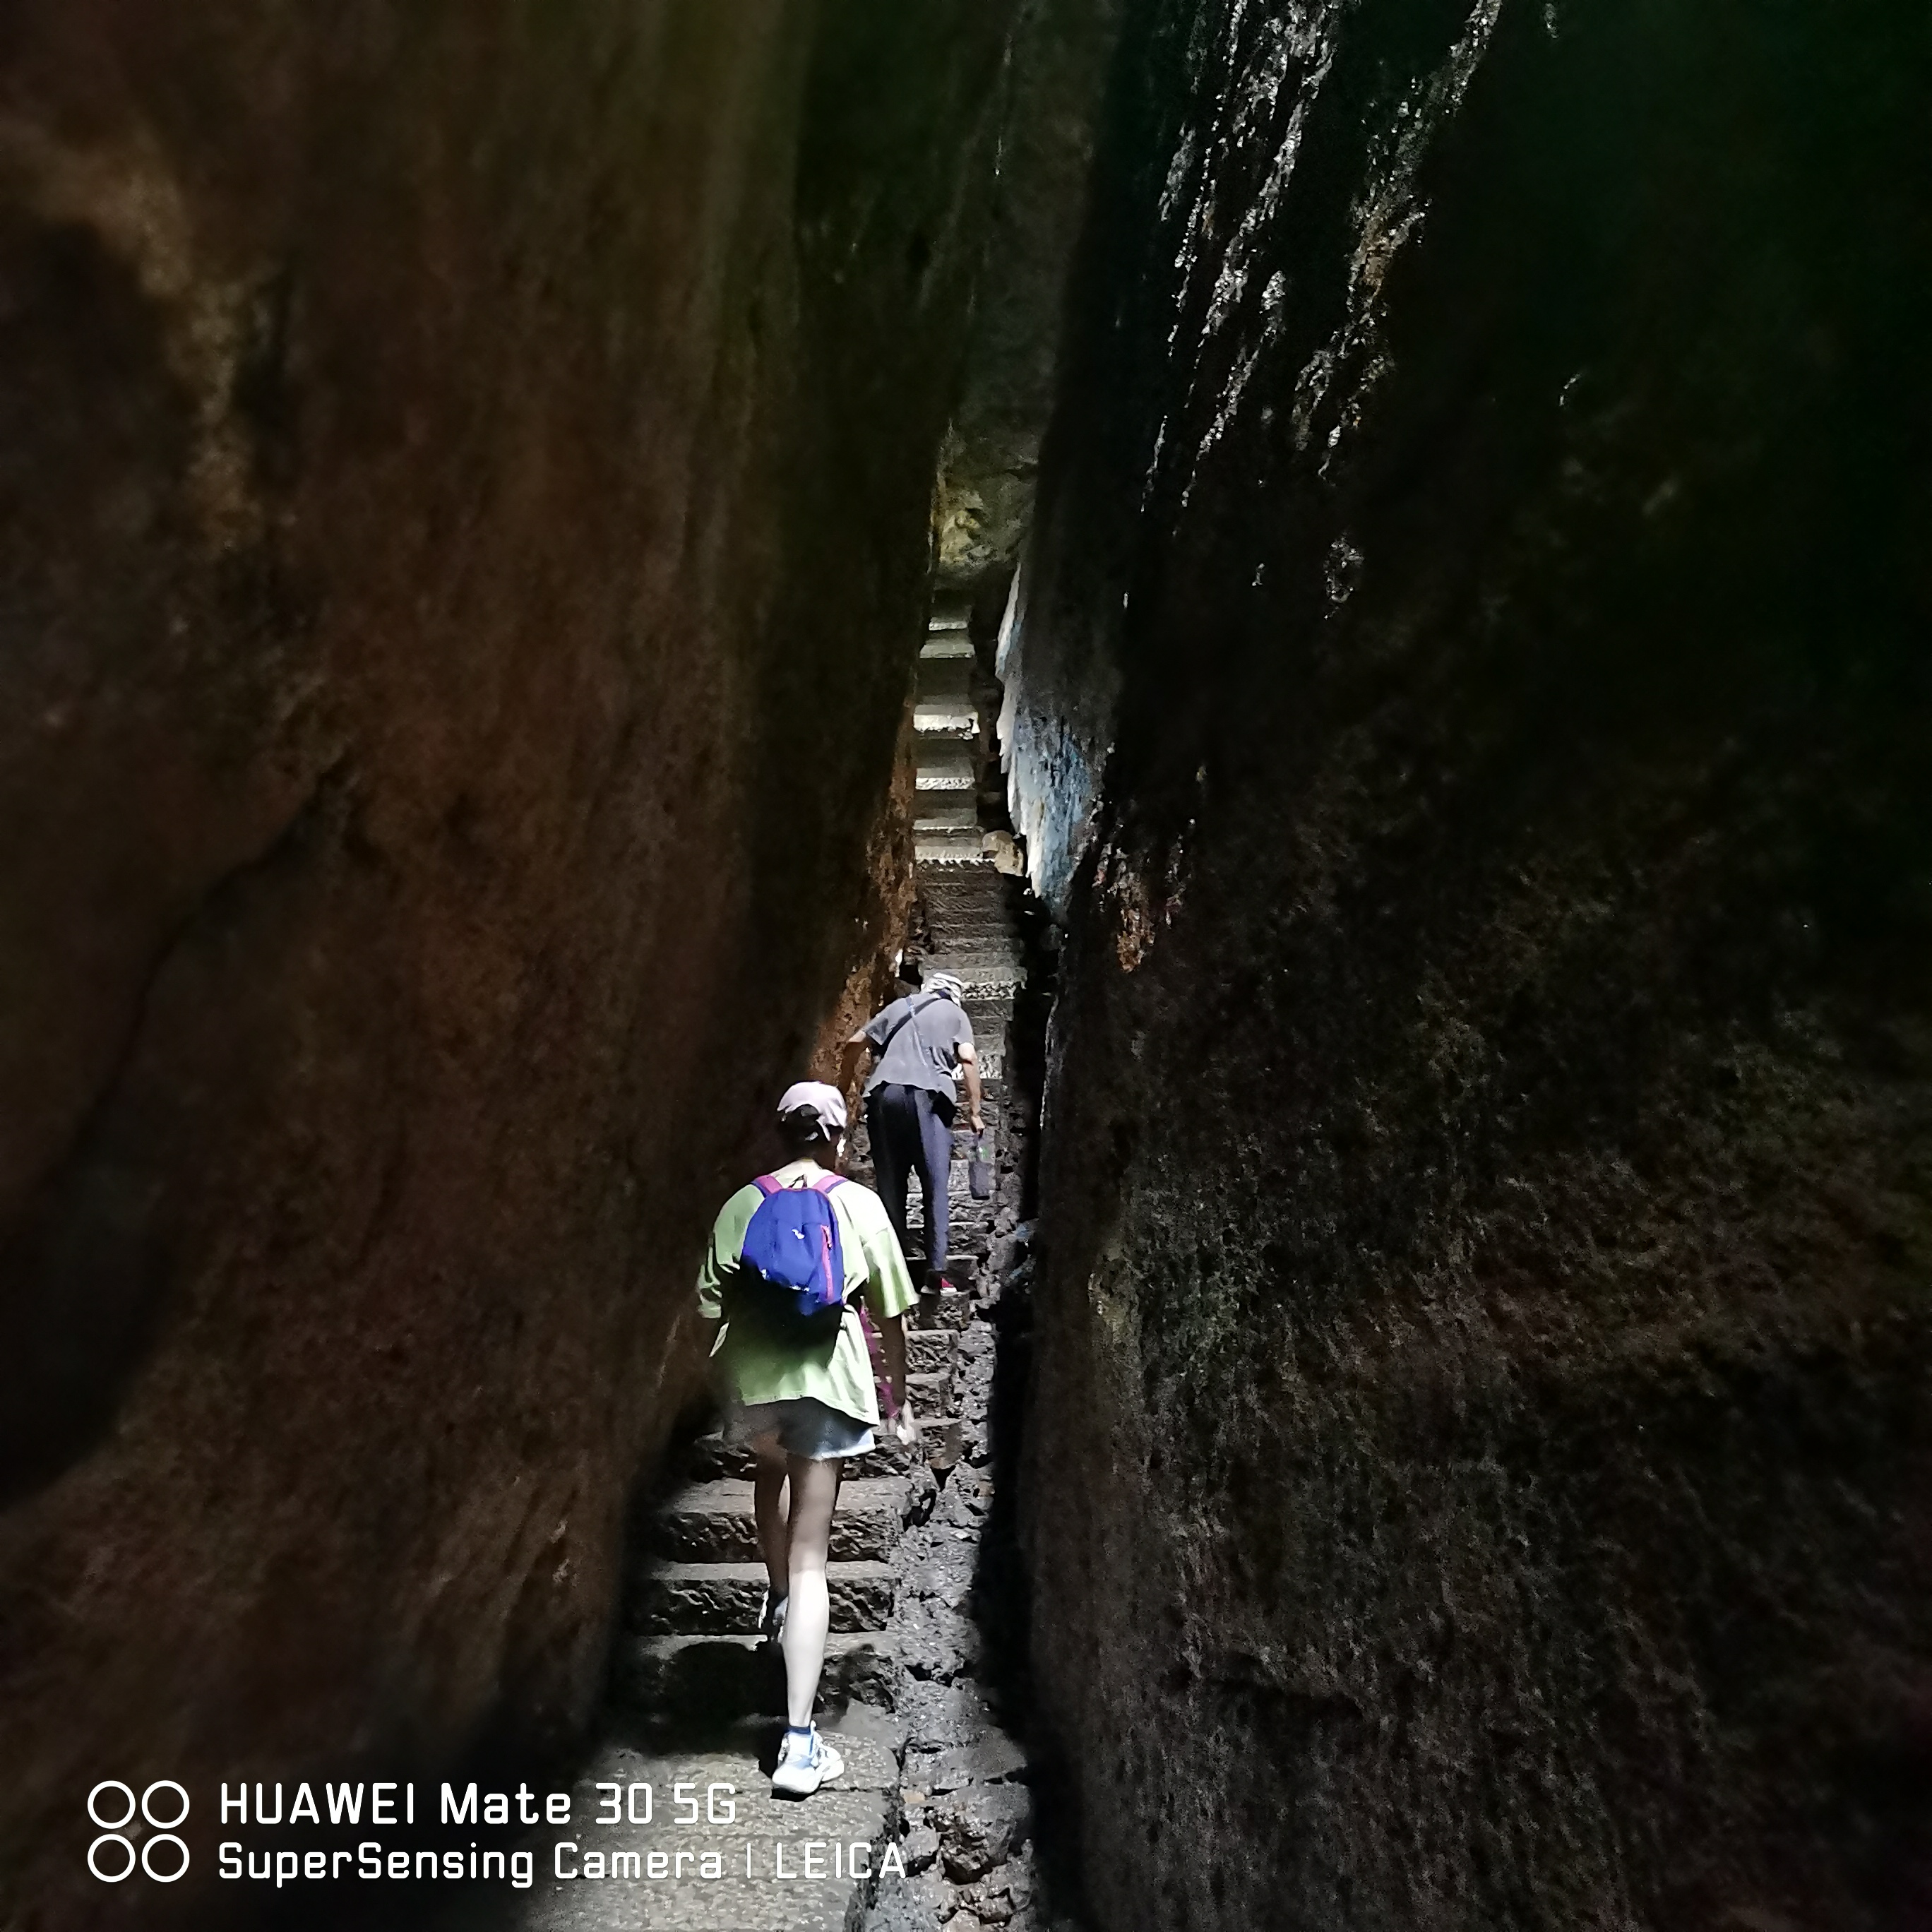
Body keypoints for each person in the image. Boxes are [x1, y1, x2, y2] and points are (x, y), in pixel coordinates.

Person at [695, 1080, 918, 1797]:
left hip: (756, 1379)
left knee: (769, 1476)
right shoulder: (857, 1203)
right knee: (815, 1552)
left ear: (782, 1134)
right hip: (829, 1377)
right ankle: (798, 1743)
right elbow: (891, 1309)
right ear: (838, 1139)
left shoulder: (743, 1202)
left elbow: (707, 1302)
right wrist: (900, 1401)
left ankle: (778, 1597)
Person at [840, 971, 983, 1292]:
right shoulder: (955, 1014)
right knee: (935, 1186)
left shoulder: (899, 1007)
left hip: (884, 1096)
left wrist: (843, 1090)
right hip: (929, 1096)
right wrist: (975, 1111)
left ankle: (892, 1276)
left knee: (890, 1188)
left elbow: (853, 1044)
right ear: (955, 996)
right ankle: (935, 1271)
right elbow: (968, 1058)